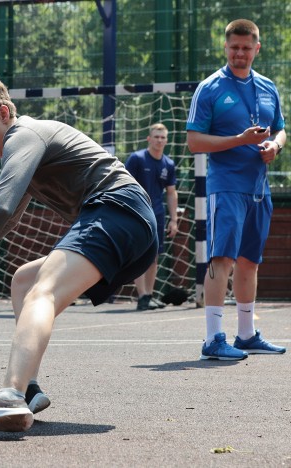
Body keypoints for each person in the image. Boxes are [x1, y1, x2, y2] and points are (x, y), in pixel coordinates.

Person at [0, 75, 158, 437]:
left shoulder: (24, 135)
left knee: (43, 291)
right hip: (132, 226)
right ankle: (28, 389)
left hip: (117, 210)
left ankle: (9, 396)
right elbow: (8, 217)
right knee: (26, 281)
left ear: (5, 113)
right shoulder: (27, 144)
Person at [186, 19, 286, 360]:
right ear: (225, 47)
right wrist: (239, 140)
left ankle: (246, 335)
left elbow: (282, 130)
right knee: (222, 259)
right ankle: (213, 338)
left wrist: (276, 146)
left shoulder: (269, 87)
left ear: (257, 48)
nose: (240, 53)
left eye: (246, 48)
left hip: (259, 189)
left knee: (249, 262)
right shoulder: (210, 88)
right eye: (234, 48)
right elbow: (193, 141)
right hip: (225, 187)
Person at [125, 123, 178, 310]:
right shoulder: (136, 159)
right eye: (156, 136)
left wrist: (174, 219)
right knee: (139, 255)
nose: (159, 140)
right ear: (149, 138)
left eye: (163, 137)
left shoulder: (168, 164)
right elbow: (124, 185)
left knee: (153, 256)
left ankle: (149, 294)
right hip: (137, 212)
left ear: (167, 140)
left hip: (157, 214)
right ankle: (142, 297)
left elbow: (171, 193)